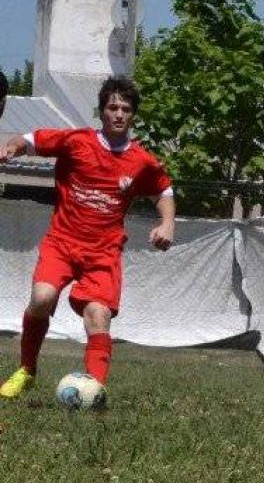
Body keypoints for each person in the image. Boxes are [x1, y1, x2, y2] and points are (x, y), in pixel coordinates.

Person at [0, 75, 175, 399]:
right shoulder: (76, 141)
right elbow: (29, 139)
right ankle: (27, 370)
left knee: (99, 316)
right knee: (41, 299)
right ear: (102, 111)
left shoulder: (141, 160)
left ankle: (94, 391)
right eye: (112, 107)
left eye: (125, 108)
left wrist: (167, 224)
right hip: (62, 243)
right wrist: (11, 147)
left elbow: (163, 188)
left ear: (133, 114)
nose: (119, 114)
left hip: (103, 253)